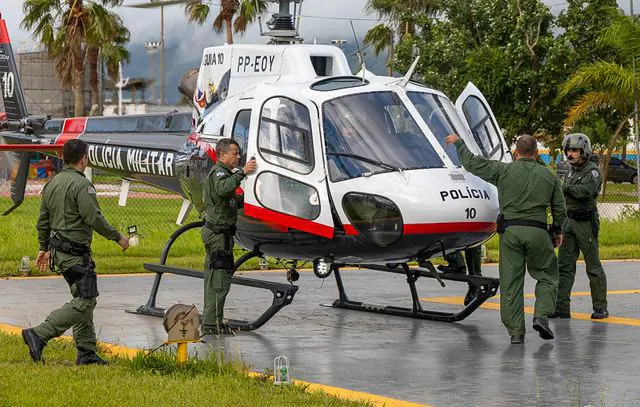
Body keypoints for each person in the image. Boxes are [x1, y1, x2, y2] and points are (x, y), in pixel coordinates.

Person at [444, 134, 567, 344]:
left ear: (516, 153)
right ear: (537, 154)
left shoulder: (503, 170)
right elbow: (560, 210)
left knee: (511, 283)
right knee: (547, 276)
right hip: (538, 232)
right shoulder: (549, 176)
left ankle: (516, 333)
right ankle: (541, 316)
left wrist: (459, 143)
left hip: (511, 233)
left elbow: (473, 163)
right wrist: (557, 232)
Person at [22, 139, 130, 364]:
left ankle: (86, 353)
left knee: (82, 297)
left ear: (63, 158)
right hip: (74, 253)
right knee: (86, 300)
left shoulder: (52, 184)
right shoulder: (82, 186)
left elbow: (42, 220)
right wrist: (118, 237)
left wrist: (43, 247)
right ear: (84, 159)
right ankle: (40, 333)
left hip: (59, 252)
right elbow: (94, 218)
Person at [201, 138, 256, 335]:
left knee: (213, 278)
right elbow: (224, 188)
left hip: (216, 233)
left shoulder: (224, 175)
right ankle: (212, 324)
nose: (238, 157)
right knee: (220, 281)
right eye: (235, 153)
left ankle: (211, 320)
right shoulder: (220, 174)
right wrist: (243, 173)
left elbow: (233, 199)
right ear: (222, 154)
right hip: (218, 235)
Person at [552, 133, 608, 320]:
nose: (570, 154)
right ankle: (561, 307)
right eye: (568, 150)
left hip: (585, 223)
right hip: (569, 222)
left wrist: (564, 188)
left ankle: (600, 307)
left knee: (593, 265)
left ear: (584, 151)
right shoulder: (569, 171)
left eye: (574, 150)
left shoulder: (592, 171)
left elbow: (585, 192)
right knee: (564, 266)